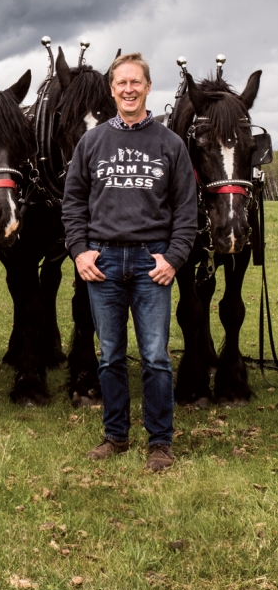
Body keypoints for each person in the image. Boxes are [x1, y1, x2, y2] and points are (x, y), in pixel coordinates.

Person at [61, 52, 196, 471]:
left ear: (148, 88)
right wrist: (80, 250)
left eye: (136, 82)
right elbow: (73, 204)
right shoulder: (93, 142)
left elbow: (187, 211)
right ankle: (115, 436)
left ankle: (160, 442)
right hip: (102, 261)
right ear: (112, 89)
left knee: (155, 356)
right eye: (121, 83)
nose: (129, 89)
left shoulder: (169, 143)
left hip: (150, 262)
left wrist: (172, 258)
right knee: (111, 355)